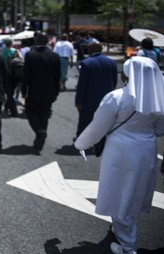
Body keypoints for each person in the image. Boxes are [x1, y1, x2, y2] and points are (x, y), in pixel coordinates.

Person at [74, 57, 164, 254]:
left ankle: (127, 246)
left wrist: (81, 143)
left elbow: (98, 126)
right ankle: (122, 228)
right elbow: (160, 129)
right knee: (134, 191)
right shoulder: (159, 97)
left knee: (119, 192)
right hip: (146, 149)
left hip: (120, 150)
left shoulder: (117, 97)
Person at [21, 32, 61, 152]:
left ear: (37, 41)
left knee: (30, 112)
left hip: (34, 90)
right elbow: (57, 76)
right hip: (49, 92)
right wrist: (56, 92)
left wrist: (24, 91)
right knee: (44, 115)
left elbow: (26, 75)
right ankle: (40, 139)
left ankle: (40, 132)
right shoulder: (54, 56)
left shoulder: (30, 55)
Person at [74, 42, 117, 140]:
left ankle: (82, 141)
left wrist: (78, 100)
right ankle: (99, 140)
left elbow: (82, 84)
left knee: (85, 121)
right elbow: (114, 81)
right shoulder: (111, 62)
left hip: (89, 98)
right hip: (106, 98)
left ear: (90, 50)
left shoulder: (86, 63)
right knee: (102, 122)